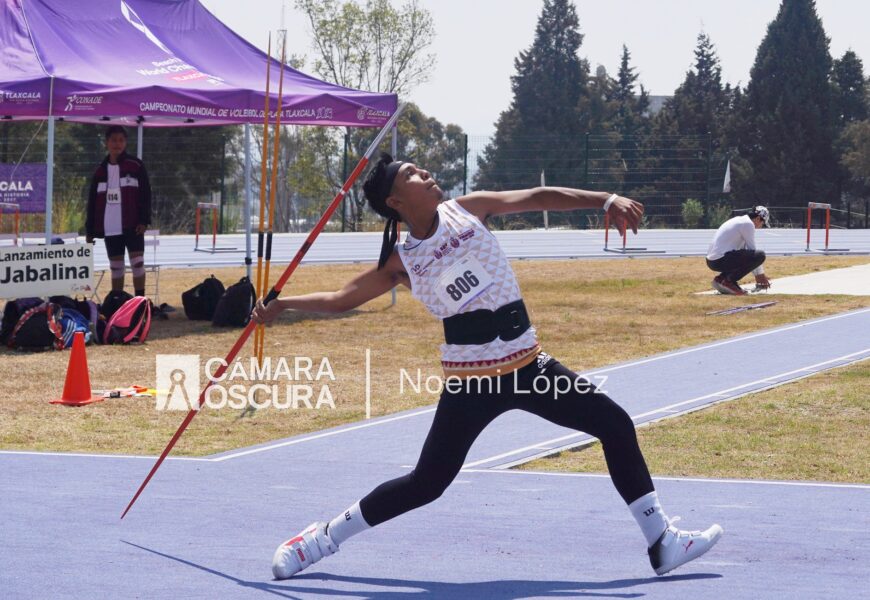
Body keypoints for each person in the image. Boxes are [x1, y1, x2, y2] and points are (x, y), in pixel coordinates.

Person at [253, 153, 723, 579]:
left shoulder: (469, 209)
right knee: (426, 484)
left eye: (421, 167)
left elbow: (538, 197)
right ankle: (320, 539)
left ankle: (662, 540)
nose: (425, 173)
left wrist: (605, 199)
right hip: (470, 386)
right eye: (412, 174)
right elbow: (340, 299)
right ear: (396, 201)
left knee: (615, 424)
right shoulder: (402, 260)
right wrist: (284, 304)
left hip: (530, 369)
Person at [85, 125, 152, 297]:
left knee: (138, 264)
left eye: (121, 140)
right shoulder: (100, 171)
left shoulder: (136, 166)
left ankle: (140, 300)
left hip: (133, 225)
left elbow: (146, 194)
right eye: (114, 140)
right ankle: (117, 302)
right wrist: (90, 230)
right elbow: (92, 202)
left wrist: (144, 220)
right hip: (110, 227)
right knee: (116, 267)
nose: (117, 144)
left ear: (126, 143)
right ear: (107, 142)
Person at [706, 206, 772, 295]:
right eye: (762, 224)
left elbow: (746, 255)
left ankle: (720, 279)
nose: (760, 227)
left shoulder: (740, 221)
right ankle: (728, 281)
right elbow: (754, 253)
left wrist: (758, 274)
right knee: (760, 255)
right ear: (757, 219)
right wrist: (760, 275)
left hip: (712, 260)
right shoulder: (748, 224)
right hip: (720, 259)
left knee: (747, 257)